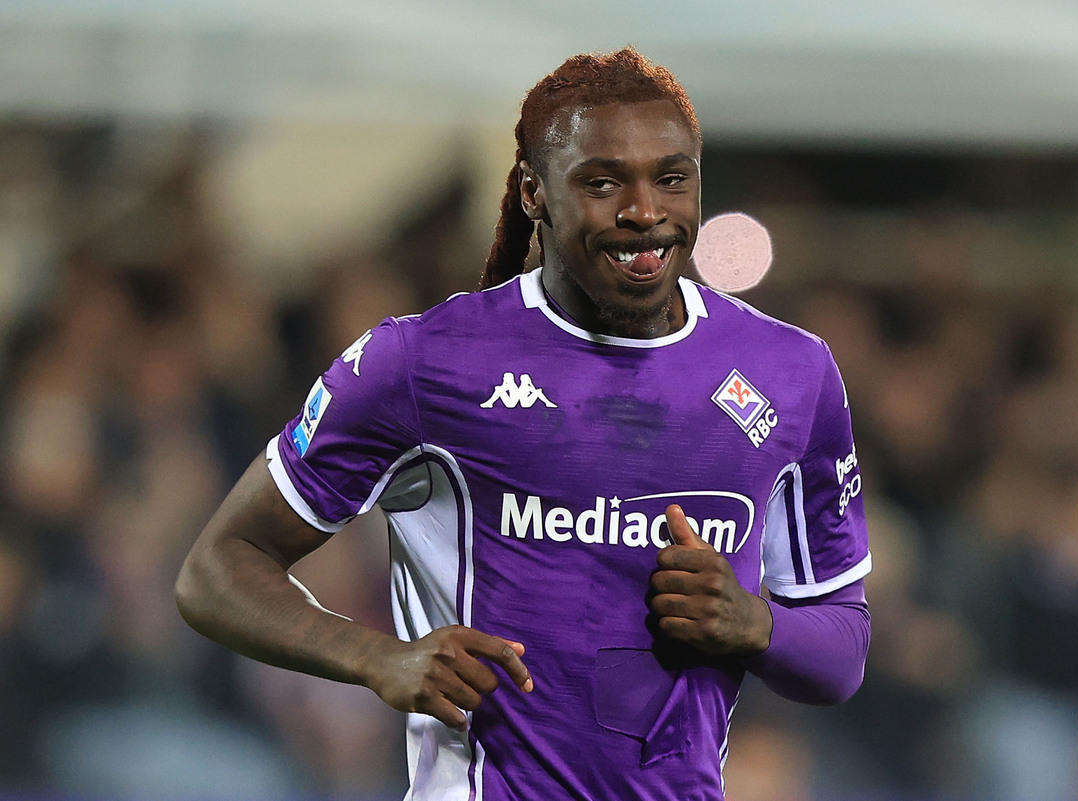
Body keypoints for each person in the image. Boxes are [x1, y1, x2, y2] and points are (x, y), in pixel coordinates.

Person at [176, 47, 871, 800]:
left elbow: (843, 653)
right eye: (603, 181)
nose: (645, 211)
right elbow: (217, 568)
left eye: (672, 177)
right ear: (534, 194)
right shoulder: (422, 362)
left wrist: (755, 624)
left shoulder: (790, 373)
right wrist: (377, 657)